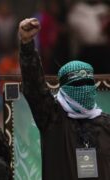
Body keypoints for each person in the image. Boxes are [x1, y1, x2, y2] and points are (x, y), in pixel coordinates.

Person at [18, 17, 110, 180]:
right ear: (64, 89)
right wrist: (27, 45)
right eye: (78, 84)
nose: (84, 89)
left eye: (88, 83)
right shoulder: (52, 118)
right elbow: (34, 87)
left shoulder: (105, 124)